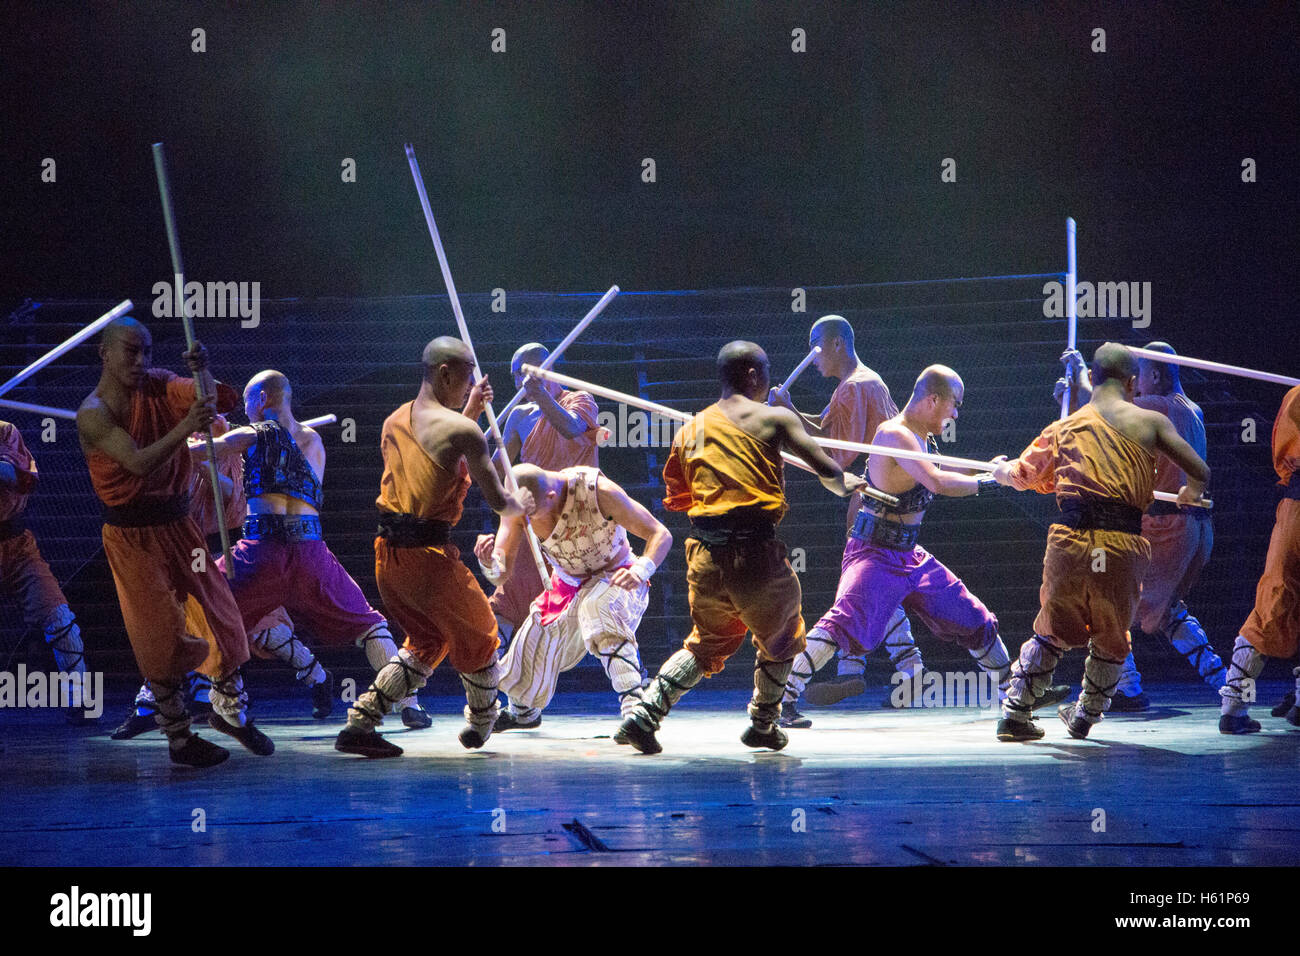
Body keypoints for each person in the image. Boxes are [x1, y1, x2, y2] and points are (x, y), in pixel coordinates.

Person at [617, 341, 866, 755]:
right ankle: (763, 722)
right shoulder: (775, 418)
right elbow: (829, 471)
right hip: (755, 554)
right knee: (783, 636)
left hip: (704, 556)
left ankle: (644, 713)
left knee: (706, 643)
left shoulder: (691, 428)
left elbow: (679, 496)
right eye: (766, 372)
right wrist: (850, 484)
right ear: (753, 375)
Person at [76, 317, 270, 767]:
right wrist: (188, 427)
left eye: (146, 350)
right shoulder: (94, 413)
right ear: (104, 354)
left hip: (180, 528)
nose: (141, 361)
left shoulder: (159, 383)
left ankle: (229, 713)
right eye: (130, 351)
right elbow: (139, 463)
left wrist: (202, 368)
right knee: (158, 636)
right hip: (132, 535)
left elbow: (205, 395)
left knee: (220, 613)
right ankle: (180, 739)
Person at [994, 343, 1209, 741]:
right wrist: (1190, 493)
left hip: (1071, 543)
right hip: (1120, 545)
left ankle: (1015, 712)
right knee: (1111, 634)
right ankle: (1086, 715)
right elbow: (1199, 469)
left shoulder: (1064, 427)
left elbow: (1024, 476)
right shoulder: (1151, 421)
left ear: (1091, 378)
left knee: (1052, 629)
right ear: (1131, 382)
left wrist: (1001, 470)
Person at [334, 337, 533, 757]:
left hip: (389, 558)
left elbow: (436, 451)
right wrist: (522, 505)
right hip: (427, 559)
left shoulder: (394, 421)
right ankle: (482, 722)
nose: (471, 384)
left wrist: (472, 409)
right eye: (466, 377)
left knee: (426, 642)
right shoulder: (465, 431)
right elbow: (499, 499)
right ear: (446, 373)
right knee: (481, 634)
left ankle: (361, 721)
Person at [795, 365, 1026, 724]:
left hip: (909, 556)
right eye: (955, 405)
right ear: (934, 399)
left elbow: (945, 467)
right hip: (873, 553)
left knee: (973, 617)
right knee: (841, 624)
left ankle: (1013, 697)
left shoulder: (922, 438)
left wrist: (987, 468)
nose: (955, 414)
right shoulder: (895, 435)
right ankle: (778, 698)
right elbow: (935, 482)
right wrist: (994, 483)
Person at [198, 370, 431, 726]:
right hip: (311, 552)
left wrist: (184, 436)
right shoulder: (313, 441)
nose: (244, 409)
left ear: (261, 399)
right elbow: (283, 481)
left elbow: (202, 452)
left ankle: (231, 710)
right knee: (369, 624)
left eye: (247, 400)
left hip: (263, 552)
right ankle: (409, 702)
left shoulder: (256, 432)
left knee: (203, 605)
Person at [768, 315, 922, 724]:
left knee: (864, 586)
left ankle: (839, 671)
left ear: (836, 344)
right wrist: (788, 412)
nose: (811, 357)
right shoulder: (858, 385)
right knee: (876, 585)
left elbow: (836, 457)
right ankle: (906, 670)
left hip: (876, 503)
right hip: (886, 501)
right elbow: (825, 430)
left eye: (815, 345)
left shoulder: (856, 386)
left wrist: (785, 416)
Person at [1056, 343, 1224, 711]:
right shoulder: (1192, 410)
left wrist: (1081, 372)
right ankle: (1226, 685)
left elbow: (1105, 407)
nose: (1133, 385)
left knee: (1109, 604)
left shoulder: (1159, 408)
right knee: (1165, 611)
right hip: (1194, 529)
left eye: (1140, 375)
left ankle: (1125, 689)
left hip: (1166, 527)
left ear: (1157, 376)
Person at [473, 462, 671, 734]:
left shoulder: (598, 491)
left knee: (600, 609)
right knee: (534, 634)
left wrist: (640, 570)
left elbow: (661, 533)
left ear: (552, 497)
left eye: (532, 513)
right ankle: (523, 712)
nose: (526, 520)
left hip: (617, 574)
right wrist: (488, 563)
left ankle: (635, 710)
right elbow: (500, 574)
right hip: (567, 584)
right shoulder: (519, 506)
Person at [486, 343, 601, 643]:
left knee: (596, 602)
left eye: (521, 374)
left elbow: (571, 428)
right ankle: (494, 670)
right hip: (534, 520)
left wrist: (541, 394)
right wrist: (469, 442)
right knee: (508, 597)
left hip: (578, 520)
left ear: (546, 367)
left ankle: (631, 678)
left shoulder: (581, 400)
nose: (517, 384)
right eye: (513, 377)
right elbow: (498, 471)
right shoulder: (519, 415)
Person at [1217, 384, 1300, 733]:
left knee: (1273, 603)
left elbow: (1282, 454)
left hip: (1296, 507)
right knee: (1273, 603)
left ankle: (1236, 705)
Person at [0, 419, 90, 723]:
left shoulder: (5, 431)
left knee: (59, 618)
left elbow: (13, 475)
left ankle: (79, 699)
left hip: (15, 544)